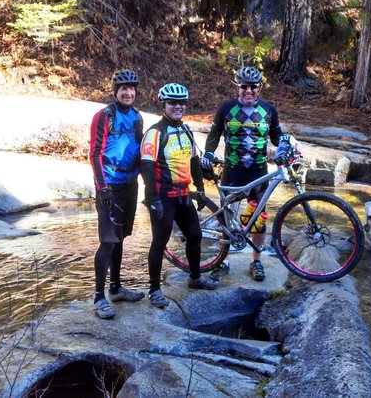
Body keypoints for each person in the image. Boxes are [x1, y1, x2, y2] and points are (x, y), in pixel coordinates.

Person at [201, 66, 285, 282]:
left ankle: (256, 261)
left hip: (258, 172)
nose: (249, 91)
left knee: (258, 218)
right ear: (237, 87)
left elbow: (277, 136)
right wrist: (209, 153)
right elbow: (214, 134)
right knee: (226, 218)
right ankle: (223, 261)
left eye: (253, 87)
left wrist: (288, 146)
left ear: (260, 88)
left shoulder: (269, 110)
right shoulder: (226, 108)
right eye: (244, 87)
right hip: (232, 171)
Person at [140, 83, 218, 308]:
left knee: (195, 235)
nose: (178, 107)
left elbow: (194, 161)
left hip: (183, 195)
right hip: (163, 195)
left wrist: (200, 189)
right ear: (163, 104)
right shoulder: (155, 132)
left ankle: (194, 278)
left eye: (181, 103)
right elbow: (146, 166)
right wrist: (153, 198)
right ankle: (154, 290)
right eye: (172, 103)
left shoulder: (186, 130)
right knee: (159, 241)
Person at [89, 69, 147, 319]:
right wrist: (102, 188)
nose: (128, 92)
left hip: (129, 184)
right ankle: (99, 297)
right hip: (110, 186)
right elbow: (95, 153)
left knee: (121, 237)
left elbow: (140, 151)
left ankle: (116, 288)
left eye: (131, 89)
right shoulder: (104, 116)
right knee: (108, 241)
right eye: (123, 88)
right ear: (115, 91)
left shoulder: (137, 116)